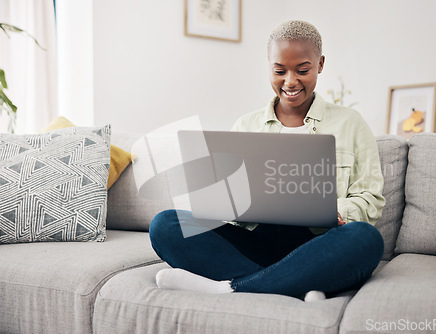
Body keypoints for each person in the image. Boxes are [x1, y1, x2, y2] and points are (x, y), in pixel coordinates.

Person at [149, 20, 385, 302]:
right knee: (165, 224)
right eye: (279, 70)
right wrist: (226, 203)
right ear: (269, 66)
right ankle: (298, 283)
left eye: (303, 70)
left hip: (319, 244)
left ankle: (230, 287)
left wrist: (336, 211)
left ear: (320, 65)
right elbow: (227, 204)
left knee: (366, 239)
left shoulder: (350, 123)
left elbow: (370, 198)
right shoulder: (246, 125)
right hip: (255, 241)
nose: (290, 81)